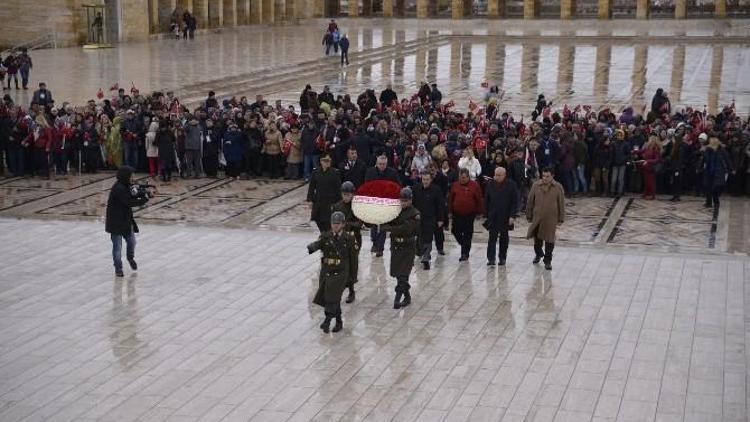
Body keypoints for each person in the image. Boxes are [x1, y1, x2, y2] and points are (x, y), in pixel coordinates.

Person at [307, 211, 357, 333]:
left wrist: (352, 278)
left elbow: (354, 260)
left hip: (341, 272)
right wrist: (312, 247)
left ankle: (327, 321)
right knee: (332, 298)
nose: (335, 226)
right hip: (327, 271)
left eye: (338, 224)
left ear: (343, 224)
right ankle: (339, 322)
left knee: (332, 298)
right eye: (333, 223)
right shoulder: (326, 236)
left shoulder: (349, 238)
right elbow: (320, 244)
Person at [105, 166, 152, 277]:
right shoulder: (118, 188)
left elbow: (133, 192)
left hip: (125, 221)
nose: (132, 178)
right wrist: (144, 199)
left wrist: (145, 193)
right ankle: (118, 269)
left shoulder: (126, 185)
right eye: (131, 176)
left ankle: (130, 258)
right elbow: (129, 202)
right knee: (117, 248)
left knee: (132, 242)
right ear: (125, 176)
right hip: (115, 223)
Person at [380, 187, 420, 309]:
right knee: (398, 274)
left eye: (406, 201)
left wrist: (389, 229)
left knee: (403, 275)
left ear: (411, 200)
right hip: (396, 246)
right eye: (402, 201)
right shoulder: (396, 211)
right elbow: (389, 221)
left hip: (408, 247)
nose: (403, 203)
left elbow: (406, 228)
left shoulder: (415, 214)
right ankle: (407, 296)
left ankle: (397, 299)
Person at [526, 167, 565, 271]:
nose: (545, 178)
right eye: (543, 176)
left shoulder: (558, 187)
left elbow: (561, 203)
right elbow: (530, 201)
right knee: (537, 240)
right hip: (537, 217)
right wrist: (529, 215)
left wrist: (561, 218)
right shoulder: (536, 186)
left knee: (549, 241)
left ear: (552, 176)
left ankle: (548, 261)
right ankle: (538, 254)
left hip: (551, 219)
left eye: (547, 176)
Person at [330, 181, 362, 303]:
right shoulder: (337, 207)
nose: (346, 197)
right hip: (341, 239)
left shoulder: (357, 206)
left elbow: (359, 224)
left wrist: (345, 224)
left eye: (348, 194)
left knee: (352, 265)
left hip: (354, 239)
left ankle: (351, 290)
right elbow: (334, 224)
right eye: (344, 194)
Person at [365, 155, 400, 256]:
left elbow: (397, 186)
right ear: (376, 163)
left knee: (383, 226)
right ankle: (375, 243)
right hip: (374, 202)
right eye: (380, 164)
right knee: (374, 225)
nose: (382, 166)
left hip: (386, 203)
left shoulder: (392, 173)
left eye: (384, 164)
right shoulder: (370, 172)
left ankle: (380, 248)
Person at [484, 167, 519, 266]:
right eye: (495, 175)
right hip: (493, 216)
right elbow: (487, 199)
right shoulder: (490, 184)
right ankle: (491, 258)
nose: (496, 177)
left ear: (504, 175)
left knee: (504, 238)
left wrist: (512, 215)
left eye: (499, 175)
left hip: (505, 216)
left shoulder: (511, 185)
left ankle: (502, 258)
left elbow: (515, 202)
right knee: (492, 238)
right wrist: (486, 214)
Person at [448, 168, 484, 261]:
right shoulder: (455, 185)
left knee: (468, 234)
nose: (462, 179)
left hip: (469, 214)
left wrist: (480, 211)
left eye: (463, 178)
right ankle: (463, 244)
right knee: (455, 230)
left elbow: (479, 199)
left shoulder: (474, 185)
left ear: (468, 177)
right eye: (460, 177)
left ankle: (464, 253)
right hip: (457, 214)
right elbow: (450, 199)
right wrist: (450, 211)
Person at [411, 173, 445, 270]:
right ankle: (421, 252)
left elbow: (440, 205)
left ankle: (426, 257)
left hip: (431, 218)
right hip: (418, 218)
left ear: (431, 180)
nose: (425, 181)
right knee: (420, 237)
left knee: (428, 238)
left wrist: (440, 219)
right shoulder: (416, 189)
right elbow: (412, 203)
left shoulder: (436, 190)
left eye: (427, 179)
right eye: (424, 179)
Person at [307, 154, 342, 232]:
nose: (327, 163)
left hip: (330, 202)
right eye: (325, 161)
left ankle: (328, 238)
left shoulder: (335, 173)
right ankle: (324, 237)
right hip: (319, 202)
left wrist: (339, 203)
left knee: (329, 223)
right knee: (319, 221)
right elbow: (312, 187)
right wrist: (310, 200)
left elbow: (338, 189)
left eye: (329, 161)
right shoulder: (316, 172)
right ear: (321, 161)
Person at [703, 136, 731, 215]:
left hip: (718, 172)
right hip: (709, 172)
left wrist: (731, 168)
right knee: (708, 187)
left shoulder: (721, 150)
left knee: (716, 189)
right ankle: (709, 202)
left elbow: (727, 159)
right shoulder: (708, 150)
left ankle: (716, 205)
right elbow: (706, 160)